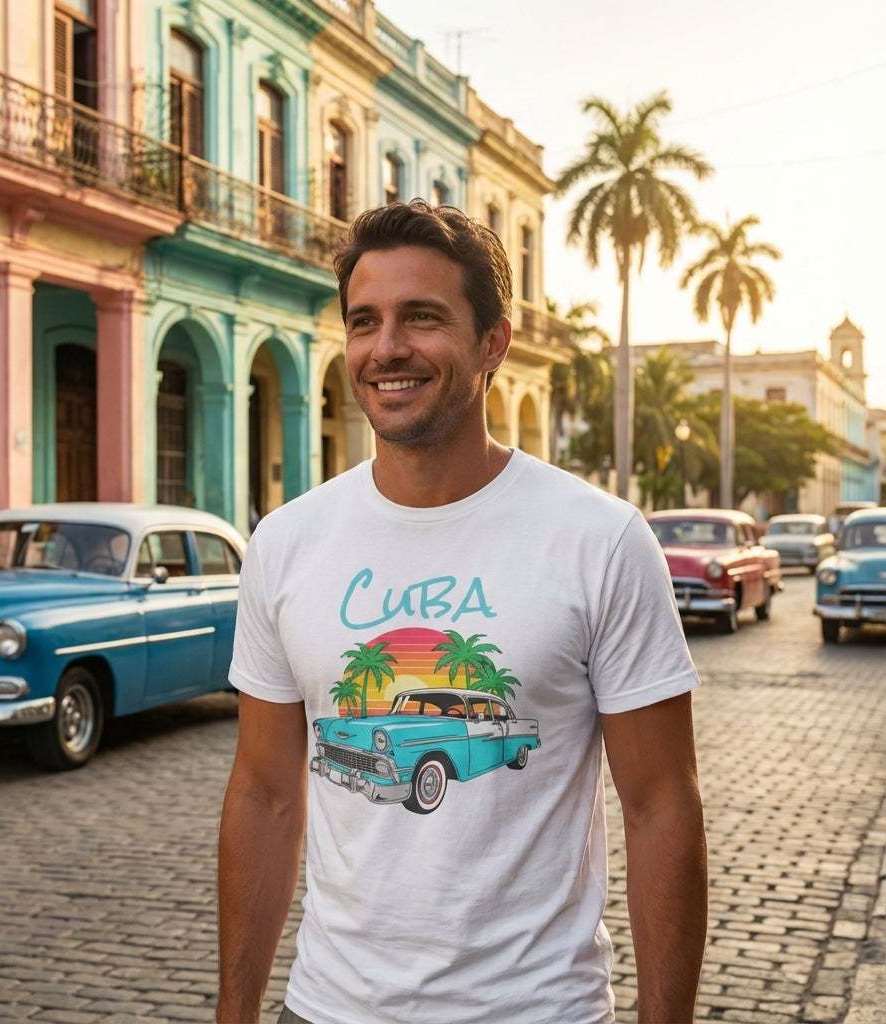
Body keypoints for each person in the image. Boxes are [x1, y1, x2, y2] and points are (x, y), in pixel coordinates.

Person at [217, 199, 708, 1024]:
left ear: (493, 344)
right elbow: (266, 794)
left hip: (536, 1009)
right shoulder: (287, 542)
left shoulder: (601, 539)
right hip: (329, 1006)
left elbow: (661, 804)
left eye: (422, 318)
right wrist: (236, 1014)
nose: (387, 349)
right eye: (364, 321)